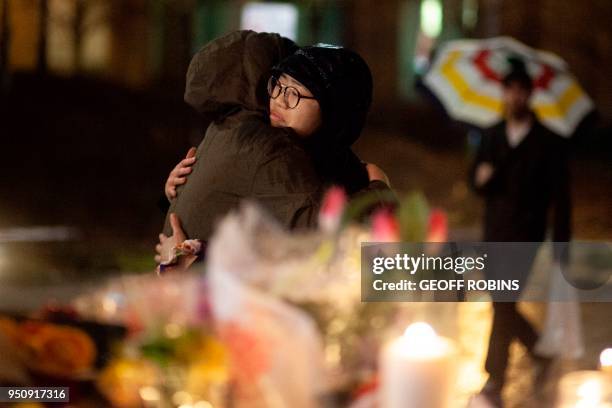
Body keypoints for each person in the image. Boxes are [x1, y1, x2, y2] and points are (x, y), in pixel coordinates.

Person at [155, 31, 391, 269]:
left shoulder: (234, 127)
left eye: (294, 93)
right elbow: (319, 232)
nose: (279, 99)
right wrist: (379, 194)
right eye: (277, 85)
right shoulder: (268, 146)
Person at [470, 60, 571, 407]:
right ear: (504, 93)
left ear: (529, 94)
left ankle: (494, 379)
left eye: (520, 90)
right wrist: (481, 178)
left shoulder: (547, 142)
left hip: (526, 236)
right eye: (508, 89)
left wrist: (562, 247)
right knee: (504, 304)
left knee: (503, 303)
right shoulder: (492, 134)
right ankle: (541, 353)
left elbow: (562, 199)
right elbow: (476, 182)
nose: (514, 96)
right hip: (494, 233)